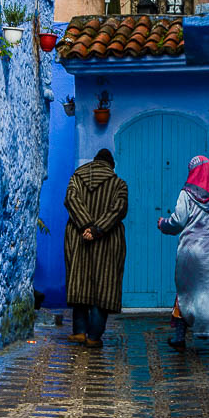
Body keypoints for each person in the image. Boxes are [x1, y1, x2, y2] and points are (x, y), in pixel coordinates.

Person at [158, 154, 209, 359]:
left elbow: (177, 221)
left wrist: (163, 224)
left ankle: (179, 338)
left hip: (190, 252)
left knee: (186, 294)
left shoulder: (186, 195)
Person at [64, 148, 128, 347]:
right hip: (107, 241)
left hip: (78, 237)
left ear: (94, 161)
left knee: (79, 282)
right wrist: (97, 229)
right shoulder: (119, 184)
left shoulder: (77, 178)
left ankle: (79, 332)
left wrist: (85, 226)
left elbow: (71, 200)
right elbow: (118, 209)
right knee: (104, 287)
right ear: (111, 166)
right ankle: (93, 337)